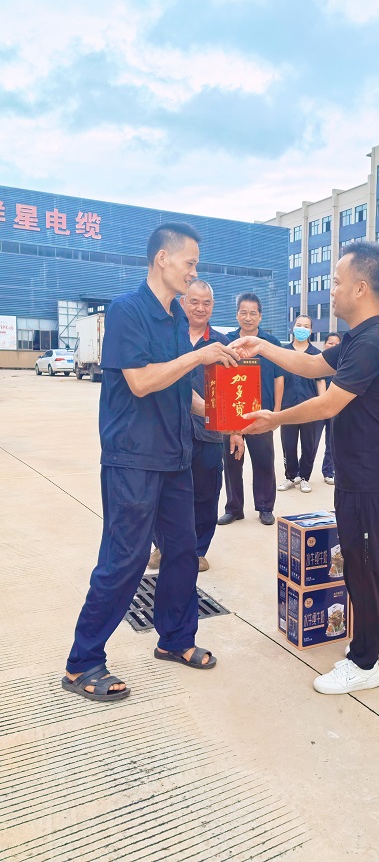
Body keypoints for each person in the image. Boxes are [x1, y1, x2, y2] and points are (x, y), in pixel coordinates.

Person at [62, 223, 239, 702]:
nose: (193, 272)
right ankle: (82, 662)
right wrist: (198, 357)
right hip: (134, 458)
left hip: (175, 457)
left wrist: (224, 416)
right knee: (125, 558)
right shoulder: (127, 310)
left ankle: (175, 638)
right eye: (190, 262)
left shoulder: (176, 318)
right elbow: (140, 381)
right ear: (163, 258)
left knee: (182, 552)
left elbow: (180, 390)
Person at [231, 241, 379, 694]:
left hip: (366, 477)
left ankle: (363, 663)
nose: (333, 291)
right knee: (375, 561)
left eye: (339, 282)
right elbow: (309, 364)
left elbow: (328, 404)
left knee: (362, 567)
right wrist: (263, 346)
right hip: (367, 473)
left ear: (361, 288)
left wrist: (275, 418)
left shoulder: (373, 342)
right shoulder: (358, 339)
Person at [147, 279, 244, 573]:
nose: (200, 308)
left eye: (206, 303)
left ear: (213, 306)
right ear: (183, 302)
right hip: (167, 431)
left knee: (205, 494)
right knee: (162, 493)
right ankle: (163, 546)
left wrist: (236, 430)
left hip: (208, 433)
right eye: (194, 301)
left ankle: (198, 550)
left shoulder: (222, 344)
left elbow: (235, 390)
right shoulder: (168, 337)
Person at [216, 292, 284, 526]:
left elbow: (279, 378)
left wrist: (276, 413)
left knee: (264, 460)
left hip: (261, 413)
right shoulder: (227, 342)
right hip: (232, 413)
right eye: (243, 312)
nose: (248, 317)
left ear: (260, 316)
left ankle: (265, 507)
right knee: (232, 462)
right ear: (237, 315)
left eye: (252, 313)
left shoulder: (270, 343)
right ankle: (234, 508)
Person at [276, 314, 326, 494]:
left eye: (306, 326)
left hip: (310, 408)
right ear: (293, 327)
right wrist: (277, 408)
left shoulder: (317, 354)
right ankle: (290, 476)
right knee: (288, 444)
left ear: (311, 331)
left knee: (308, 445)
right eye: (299, 325)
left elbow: (321, 380)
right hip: (288, 406)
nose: (302, 329)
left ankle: (304, 477)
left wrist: (322, 404)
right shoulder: (284, 352)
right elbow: (278, 380)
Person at [321, 332, 341, 484]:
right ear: (324, 344)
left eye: (337, 344)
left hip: (334, 409)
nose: (333, 346)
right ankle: (302, 474)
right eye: (330, 343)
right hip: (317, 408)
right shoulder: (318, 362)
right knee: (311, 444)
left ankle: (328, 471)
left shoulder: (343, 365)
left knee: (331, 441)